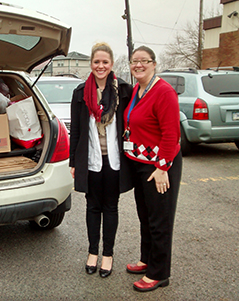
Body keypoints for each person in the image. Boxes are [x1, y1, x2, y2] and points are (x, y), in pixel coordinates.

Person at [69, 42, 133, 278]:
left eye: (105, 62)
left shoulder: (123, 91)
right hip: (91, 159)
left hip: (115, 160)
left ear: (112, 64)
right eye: (97, 62)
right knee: (92, 206)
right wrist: (73, 162)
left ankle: (108, 254)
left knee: (111, 206)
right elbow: (75, 130)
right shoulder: (80, 93)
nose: (101, 66)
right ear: (91, 64)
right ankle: (92, 252)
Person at [123, 46, 182, 292]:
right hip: (141, 163)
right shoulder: (139, 88)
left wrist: (162, 167)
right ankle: (147, 259)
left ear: (154, 64)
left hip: (159, 167)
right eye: (134, 61)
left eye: (144, 61)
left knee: (160, 220)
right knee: (145, 217)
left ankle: (159, 273)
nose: (138, 65)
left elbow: (171, 134)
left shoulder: (164, 92)